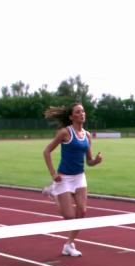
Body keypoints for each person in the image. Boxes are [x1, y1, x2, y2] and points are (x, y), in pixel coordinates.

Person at [42, 102, 103, 257]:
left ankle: (68, 245)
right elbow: (47, 151)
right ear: (71, 116)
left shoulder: (87, 135)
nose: (82, 114)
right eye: (78, 112)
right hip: (64, 178)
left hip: (79, 177)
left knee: (82, 212)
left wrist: (96, 161)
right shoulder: (65, 132)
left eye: (83, 111)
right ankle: (53, 191)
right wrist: (53, 173)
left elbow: (88, 161)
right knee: (69, 217)